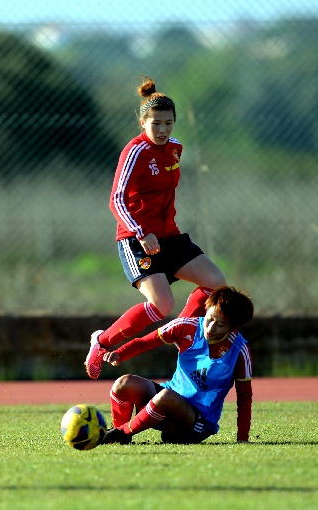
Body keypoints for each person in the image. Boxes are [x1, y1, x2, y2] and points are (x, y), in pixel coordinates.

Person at [85, 76, 226, 379]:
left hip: (169, 236)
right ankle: (102, 342)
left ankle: (182, 331)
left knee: (217, 284)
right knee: (162, 304)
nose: (162, 130)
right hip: (136, 238)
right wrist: (140, 231)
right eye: (156, 124)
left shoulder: (175, 149)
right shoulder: (134, 151)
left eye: (168, 123)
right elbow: (116, 199)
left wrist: (161, 231)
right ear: (143, 123)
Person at [100, 286, 254, 445]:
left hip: (196, 424)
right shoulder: (187, 327)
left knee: (166, 397)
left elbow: (244, 397)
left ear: (232, 327)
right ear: (206, 310)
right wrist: (120, 353)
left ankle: (121, 432)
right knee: (124, 384)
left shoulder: (240, 351)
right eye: (210, 318)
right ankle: (117, 439)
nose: (211, 327)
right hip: (165, 404)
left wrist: (242, 437)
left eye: (220, 324)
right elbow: (144, 343)